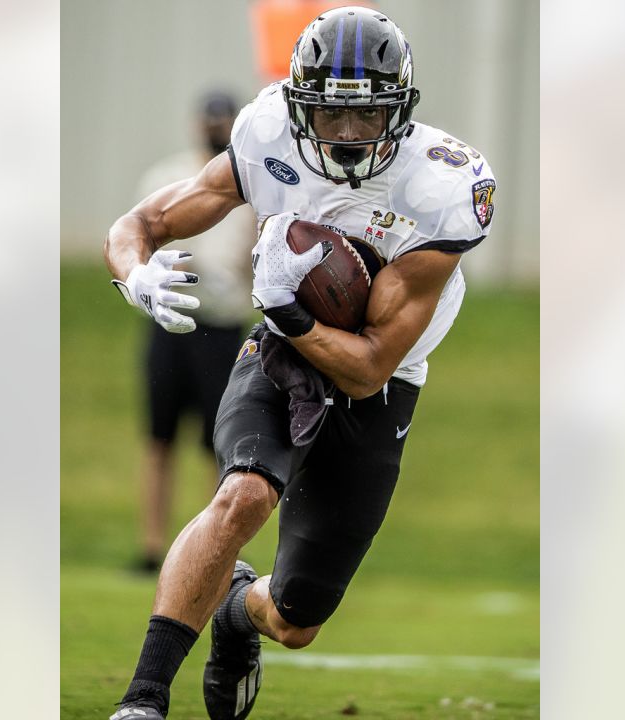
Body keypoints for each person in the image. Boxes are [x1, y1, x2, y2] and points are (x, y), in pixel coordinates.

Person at [103, 7, 497, 719]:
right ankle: (144, 699)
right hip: (282, 354)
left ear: (401, 112)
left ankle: (236, 614)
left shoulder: (445, 187)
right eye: (329, 115)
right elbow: (143, 224)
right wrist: (135, 274)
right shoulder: (265, 133)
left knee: (296, 619)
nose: (347, 136)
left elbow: (370, 366)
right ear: (298, 106)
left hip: (381, 382)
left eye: (366, 117)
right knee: (242, 497)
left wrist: (288, 306)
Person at [131, 92, 257, 573]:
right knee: (159, 435)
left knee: (219, 442)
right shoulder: (169, 177)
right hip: (169, 324)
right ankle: (151, 546)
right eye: (210, 120)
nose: (215, 127)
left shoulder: (252, 186)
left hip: (222, 327)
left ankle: (216, 546)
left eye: (224, 121)